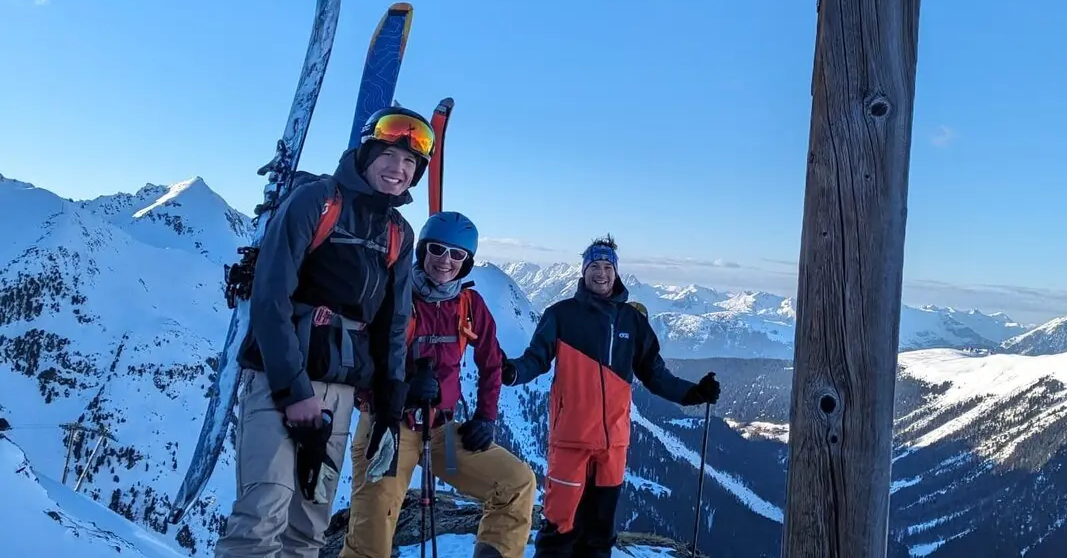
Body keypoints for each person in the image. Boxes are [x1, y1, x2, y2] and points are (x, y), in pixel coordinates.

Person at [214, 106, 437, 558]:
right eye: (390, 156)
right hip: (281, 381)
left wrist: (390, 406)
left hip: (340, 390)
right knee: (261, 519)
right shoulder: (316, 201)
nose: (399, 169)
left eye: (410, 163)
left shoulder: (399, 232)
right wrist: (294, 391)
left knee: (307, 529)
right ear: (367, 152)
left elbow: (393, 324)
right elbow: (270, 298)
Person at [500, 235, 721, 558]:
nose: (601, 273)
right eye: (594, 266)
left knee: (600, 533)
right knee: (559, 528)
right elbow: (537, 357)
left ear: (616, 273)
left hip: (613, 445)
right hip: (570, 441)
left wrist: (694, 393)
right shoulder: (561, 314)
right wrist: (515, 371)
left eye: (607, 267)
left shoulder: (633, 322)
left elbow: (655, 375)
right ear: (583, 270)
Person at [340, 211, 537, 558]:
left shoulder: (469, 305)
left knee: (516, 483)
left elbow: (491, 362)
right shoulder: (392, 293)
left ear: (467, 262)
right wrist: (402, 390)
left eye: (457, 255)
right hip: (388, 427)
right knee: (371, 534)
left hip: (440, 428)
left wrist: (486, 417)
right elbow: (356, 360)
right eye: (437, 249)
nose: (446, 261)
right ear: (422, 251)